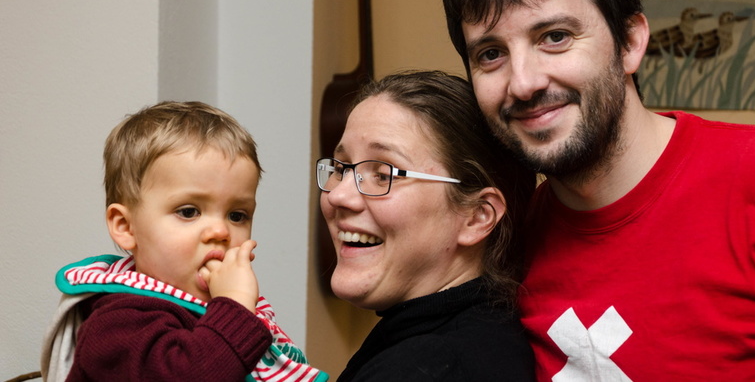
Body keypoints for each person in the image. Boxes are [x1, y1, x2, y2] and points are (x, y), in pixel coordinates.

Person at [442, 0, 755, 380]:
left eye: (555, 37)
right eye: (490, 54)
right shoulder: (507, 244)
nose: (522, 83)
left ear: (630, 42)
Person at [41, 101, 328, 382]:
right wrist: (236, 306)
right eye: (189, 212)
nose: (221, 231)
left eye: (237, 215)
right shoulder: (116, 323)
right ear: (126, 226)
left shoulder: (226, 306)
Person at [316, 70, 536, 381]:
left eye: (384, 174)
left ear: (477, 216)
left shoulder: (427, 367)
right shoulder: (476, 340)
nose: (338, 195)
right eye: (341, 169)